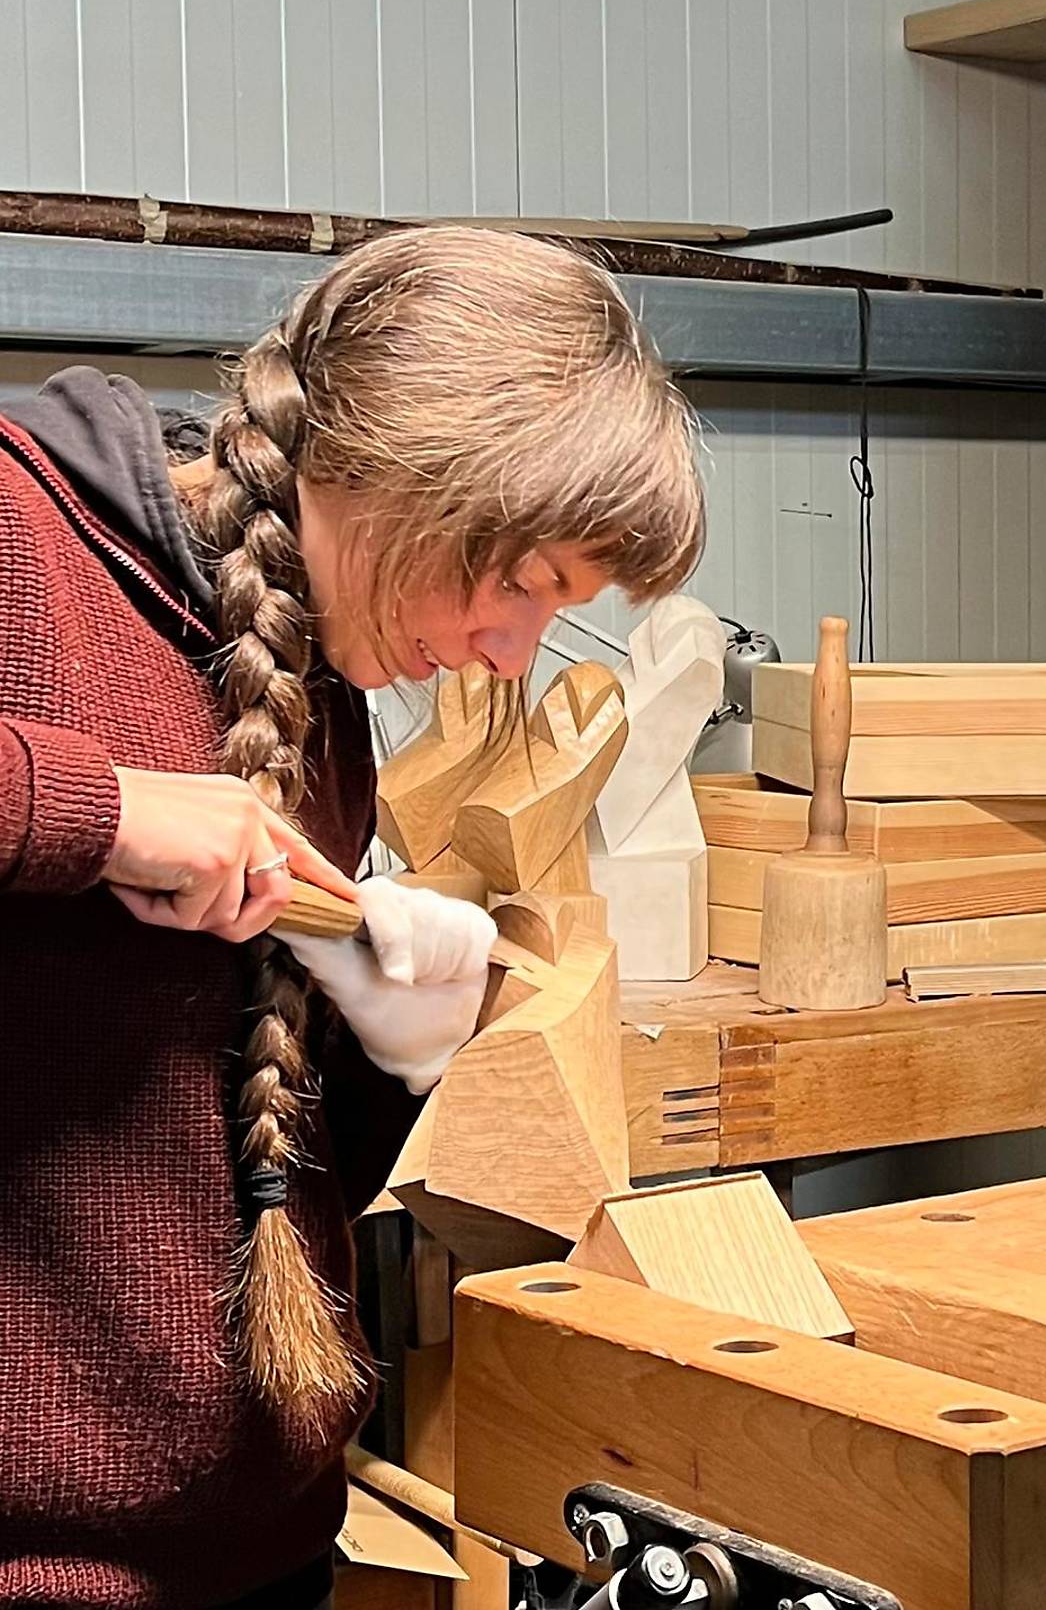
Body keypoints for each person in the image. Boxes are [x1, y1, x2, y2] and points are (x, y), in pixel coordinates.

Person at [0, 227, 704, 1610]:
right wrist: (104, 813)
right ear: (410, 469)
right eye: (522, 582)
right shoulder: (25, 539)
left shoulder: (317, 689)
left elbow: (240, 1156)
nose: (510, 652)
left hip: (258, 1552)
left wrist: (393, 1049)